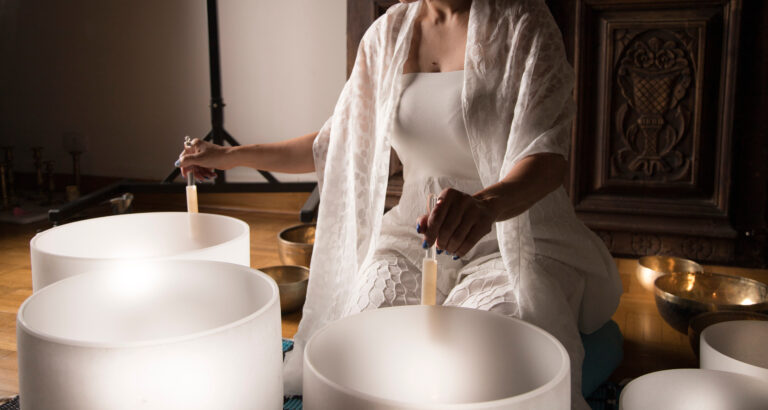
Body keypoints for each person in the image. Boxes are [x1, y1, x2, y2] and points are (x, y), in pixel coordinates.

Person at [178, 0, 622, 407]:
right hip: (414, 236)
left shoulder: (522, 20)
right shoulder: (387, 33)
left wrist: (485, 206)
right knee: (365, 350)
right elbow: (339, 143)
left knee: (481, 362)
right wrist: (230, 156)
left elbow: (546, 156)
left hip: (514, 235)